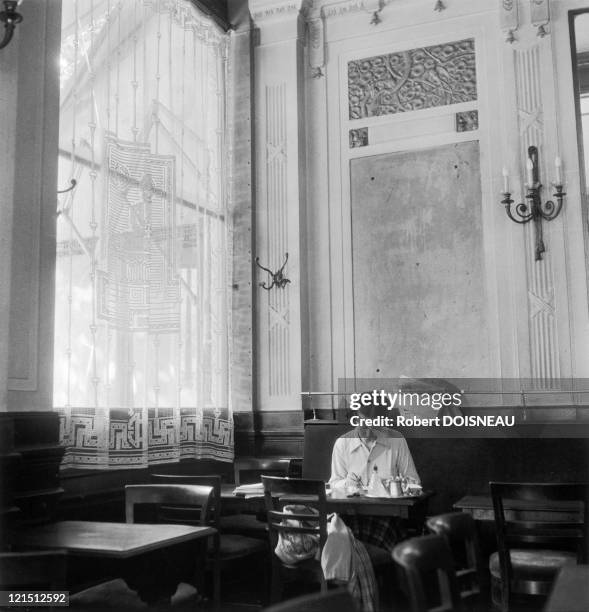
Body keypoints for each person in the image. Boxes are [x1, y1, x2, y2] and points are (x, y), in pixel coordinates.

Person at [329, 399, 420, 552]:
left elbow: (414, 482)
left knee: (387, 532)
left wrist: (397, 485)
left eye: (375, 426)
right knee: (337, 532)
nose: (368, 432)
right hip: (351, 513)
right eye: (363, 425)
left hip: (388, 516)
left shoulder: (396, 440)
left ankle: (375, 570)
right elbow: (333, 484)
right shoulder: (342, 443)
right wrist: (347, 483)